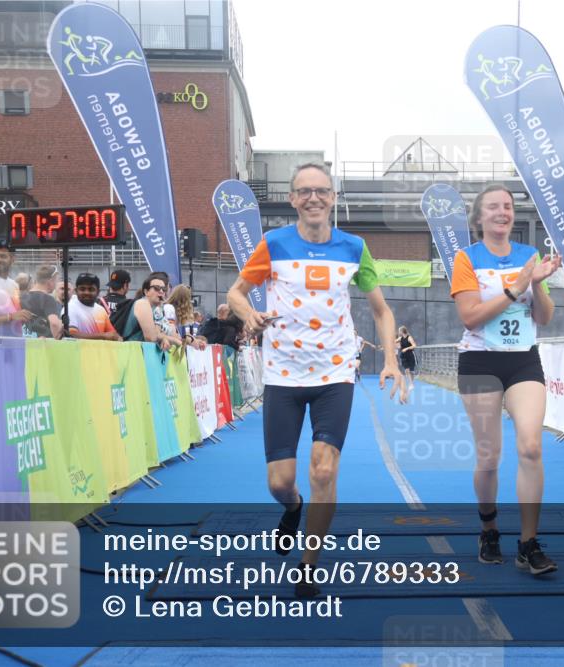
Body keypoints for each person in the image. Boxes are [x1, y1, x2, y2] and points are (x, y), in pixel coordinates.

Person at [227, 162, 405, 597]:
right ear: (292, 199)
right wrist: (248, 313)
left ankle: (308, 566)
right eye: (304, 191)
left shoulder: (354, 247)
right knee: (279, 482)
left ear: (333, 198)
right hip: (283, 375)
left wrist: (391, 360)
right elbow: (236, 292)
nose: (313, 198)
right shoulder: (273, 243)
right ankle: (293, 507)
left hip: (335, 373)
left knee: (323, 470)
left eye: (321, 191)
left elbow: (381, 310)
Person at [451, 184, 562, 576]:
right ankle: (489, 529)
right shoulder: (467, 258)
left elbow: (544, 317)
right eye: (494, 206)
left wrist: (536, 283)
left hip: (523, 361)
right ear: (479, 217)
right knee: (489, 456)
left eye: (508, 206)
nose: (503, 212)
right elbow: (470, 317)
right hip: (480, 362)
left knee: (531, 446)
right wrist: (515, 288)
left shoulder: (529, 256)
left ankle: (528, 543)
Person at [121, 272, 182, 350]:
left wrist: (165, 337)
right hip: (133, 353)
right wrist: (171, 340)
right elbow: (151, 337)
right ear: (146, 292)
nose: (161, 291)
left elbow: (173, 334)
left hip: (142, 353)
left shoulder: (157, 309)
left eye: (164, 289)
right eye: (156, 288)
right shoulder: (143, 303)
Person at [67, 273, 121, 341]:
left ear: (98, 292)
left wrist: (118, 338)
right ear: (76, 291)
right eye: (82, 289)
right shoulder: (70, 308)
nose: (86, 292)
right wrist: (103, 336)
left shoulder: (101, 310)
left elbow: (112, 334)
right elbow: (71, 335)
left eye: (91, 289)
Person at [20, 264, 64, 339]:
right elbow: (54, 323)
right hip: (42, 343)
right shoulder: (48, 299)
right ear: (50, 282)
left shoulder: (21, 297)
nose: (55, 284)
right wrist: (58, 339)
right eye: (55, 281)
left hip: (23, 342)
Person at [166, 284, 206, 349]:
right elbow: (172, 332)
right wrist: (184, 340)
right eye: (189, 298)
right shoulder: (169, 308)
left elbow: (183, 335)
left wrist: (196, 341)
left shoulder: (177, 312)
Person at [395, 325, 417, 390]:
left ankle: (412, 382)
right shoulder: (400, 338)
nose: (398, 332)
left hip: (410, 355)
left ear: (402, 331)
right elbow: (394, 341)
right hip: (404, 356)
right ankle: (411, 384)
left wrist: (406, 348)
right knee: (407, 370)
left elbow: (414, 345)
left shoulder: (409, 338)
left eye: (399, 331)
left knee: (412, 371)